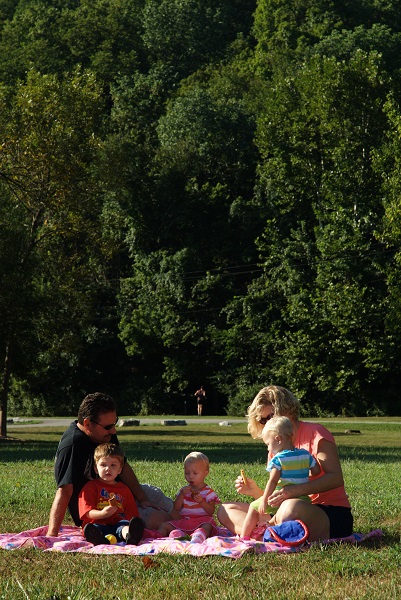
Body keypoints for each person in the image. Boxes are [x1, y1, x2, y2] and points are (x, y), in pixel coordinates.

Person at [217, 385, 353, 542]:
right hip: (285, 511)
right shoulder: (275, 447)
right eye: (262, 420)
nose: (267, 423)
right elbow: (280, 496)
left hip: (328, 512)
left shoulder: (316, 433)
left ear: (286, 410)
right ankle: (273, 533)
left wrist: (294, 491)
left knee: (291, 507)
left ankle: (268, 533)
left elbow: (335, 478)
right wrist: (255, 492)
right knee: (225, 510)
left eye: (270, 417)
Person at [47, 392, 176, 537]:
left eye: (114, 424)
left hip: (122, 493)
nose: (113, 431)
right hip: (100, 507)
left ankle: (199, 523)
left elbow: (124, 465)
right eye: (108, 426)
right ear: (87, 423)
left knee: (166, 502)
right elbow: (64, 490)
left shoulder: (104, 433)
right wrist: (51, 535)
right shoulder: (72, 445)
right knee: (161, 519)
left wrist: (142, 498)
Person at [241, 416, 320, 538]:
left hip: (280, 499)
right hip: (303, 500)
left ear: (278, 439)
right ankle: (273, 529)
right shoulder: (305, 455)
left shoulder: (278, 459)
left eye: (268, 444)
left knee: (253, 507)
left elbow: (272, 481)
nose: (268, 448)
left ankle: (243, 537)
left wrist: (264, 500)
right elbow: (316, 471)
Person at [79, 443, 144, 546]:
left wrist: (131, 524)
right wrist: (102, 514)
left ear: (120, 469)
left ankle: (130, 536)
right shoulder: (90, 487)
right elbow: (87, 513)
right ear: (96, 468)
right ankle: (99, 539)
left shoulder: (124, 489)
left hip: (118, 523)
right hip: (98, 523)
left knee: (124, 526)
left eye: (113, 465)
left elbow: (131, 513)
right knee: (94, 528)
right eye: (103, 465)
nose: (108, 469)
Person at [157, 451, 220, 543]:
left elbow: (211, 511)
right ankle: (164, 535)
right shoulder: (184, 491)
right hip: (185, 522)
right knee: (164, 525)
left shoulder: (208, 492)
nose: (190, 476)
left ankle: (199, 536)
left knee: (207, 526)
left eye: (195, 473)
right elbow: (176, 507)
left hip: (202, 521)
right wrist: (181, 495)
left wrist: (201, 502)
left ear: (206, 473)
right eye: (187, 473)